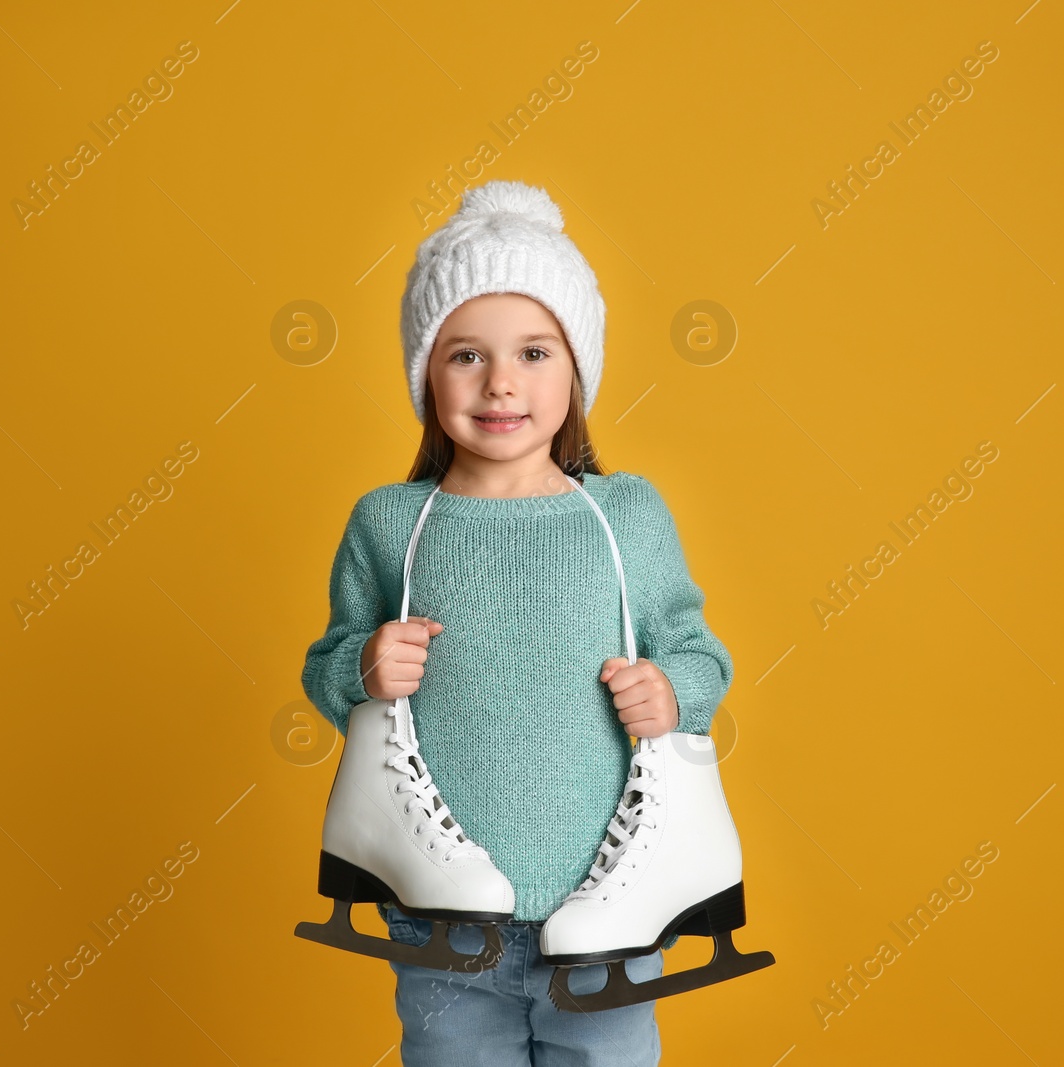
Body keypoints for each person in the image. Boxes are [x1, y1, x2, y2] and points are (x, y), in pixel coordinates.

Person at [301, 179, 733, 1066]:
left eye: (535, 351)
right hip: (444, 929)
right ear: (427, 370)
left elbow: (699, 653)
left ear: (578, 368)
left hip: (609, 909)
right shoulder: (390, 522)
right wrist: (361, 667)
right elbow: (327, 664)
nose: (501, 381)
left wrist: (674, 690)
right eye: (466, 354)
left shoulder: (626, 517)